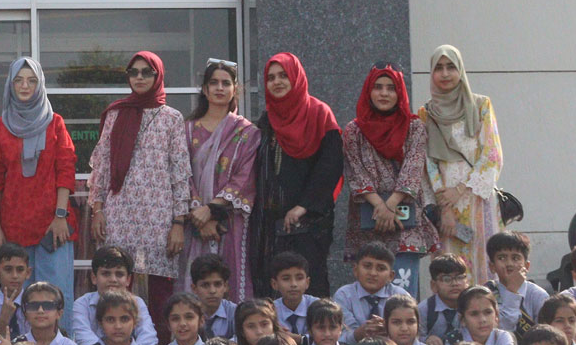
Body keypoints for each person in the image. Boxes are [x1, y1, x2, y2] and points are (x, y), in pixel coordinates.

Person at [88, 51, 193, 331]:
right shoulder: (115, 113)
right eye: (133, 72)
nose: (139, 77)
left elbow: (180, 173)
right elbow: (102, 167)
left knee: (159, 291)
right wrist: (97, 210)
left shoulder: (172, 118)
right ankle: (116, 344)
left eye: (147, 72)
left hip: (158, 217)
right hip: (119, 214)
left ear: (158, 76)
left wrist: (178, 222)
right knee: (117, 285)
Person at [247, 52, 344, 300]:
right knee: (271, 287)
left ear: (296, 78)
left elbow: (330, 166)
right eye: (271, 78)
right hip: (270, 223)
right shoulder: (267, 120)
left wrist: (303, 206)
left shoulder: (319, 113)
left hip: (309, 221)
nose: (277, 82)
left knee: (310, 284)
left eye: (283, 75)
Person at [0, 56, 79, 311]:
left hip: (53, 226)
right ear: (10, 85)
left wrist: (60, 215)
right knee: (17, 300)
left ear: (40, 85)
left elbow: (66, 170)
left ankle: (60, 340)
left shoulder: (55, 123)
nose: (25, 86)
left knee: (55, 296)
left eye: (31, 80)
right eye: (18, 80)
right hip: (13, 225)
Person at [341, 62, 438, 294]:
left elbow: (413, 168)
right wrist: (380, 207)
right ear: (368, 91)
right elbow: (355, 171)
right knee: (369, 291)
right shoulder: (354, 130)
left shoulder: (414, 127)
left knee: (403, 296)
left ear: (400, 92)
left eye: (391, 88)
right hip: (368, 219)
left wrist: (390, 205)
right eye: (378, 87)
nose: (384, 93)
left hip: (405, 221)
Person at [418, 46, 504, 282]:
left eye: (451, 67)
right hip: (445, 202)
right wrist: (443, 207)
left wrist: (460, 190)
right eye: (439, 68)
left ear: (461, 70)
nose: (445, 74)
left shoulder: (481, 105)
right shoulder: (427, 113)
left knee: (484, 266)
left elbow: (491, 155)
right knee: (450, 269)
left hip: (477, 198)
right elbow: (429, 163)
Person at [180, 59, 260, 300]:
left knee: (230, 281)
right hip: (193, 220)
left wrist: (211, 210)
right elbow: (181, 173)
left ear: (235, 90)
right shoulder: (186, 130)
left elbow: (245, 177)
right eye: (214, 83)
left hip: (229, 220)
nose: (219, 88)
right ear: (205, 90)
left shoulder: (247, 132)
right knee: (192, 286)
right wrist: (199, 214)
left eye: (226, 83)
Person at [65, 245, 160, 345]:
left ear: (128, 280)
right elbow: (83, 337)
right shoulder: (83, 304)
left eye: (119, 274)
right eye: (106, 274)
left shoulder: (137, 302)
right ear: (94, 277)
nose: (113, 279)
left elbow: (148, 336)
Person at [486, 231, 548, 341]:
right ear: (492, 266)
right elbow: (501, 330)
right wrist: (512, 292)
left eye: (515, 258)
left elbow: (546, 334)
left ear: (526, 266)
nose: (509, 264)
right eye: (502, 258)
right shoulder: (487, 293)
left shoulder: (538, 295)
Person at [333, 241, 401, 341]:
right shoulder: (344, 295)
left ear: (391, 276)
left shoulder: (400, 296)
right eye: (367, 266)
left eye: (381, 268)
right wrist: (359, 333)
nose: (373, 273)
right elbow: (342, 334)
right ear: (355, 270)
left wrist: (389, 330)